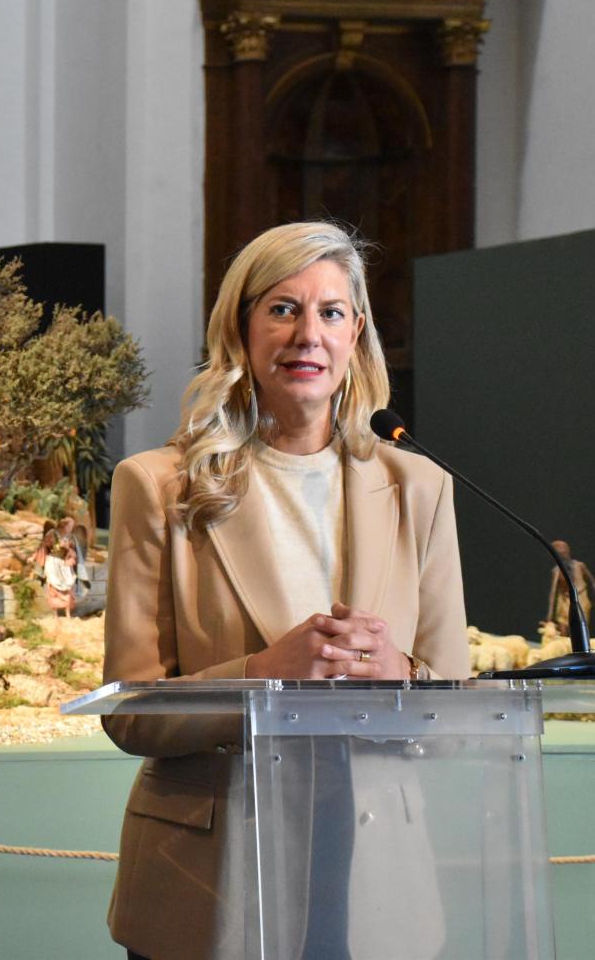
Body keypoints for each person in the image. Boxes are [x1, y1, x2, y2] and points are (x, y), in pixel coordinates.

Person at [100, 221, 469, 960]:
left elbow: (453, 702)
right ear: (241, 328)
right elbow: (132, 714)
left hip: (374, 881)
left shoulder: (420, 486)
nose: (308, 334)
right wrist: (261, 675)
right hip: (209, 880)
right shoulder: (159, 485)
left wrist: (400, 676)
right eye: (282, 309)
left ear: (356, 332)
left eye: (331, 312)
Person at [546, 538, 595, 633]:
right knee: (563, 624)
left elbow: (592, 581)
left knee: (580, 626)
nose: (563, 553)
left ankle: (579, 644)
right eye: (559, 552)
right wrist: (550, 614)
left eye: (564, 551)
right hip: (564, 600)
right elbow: (553, 592)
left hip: (581, 598)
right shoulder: (556, 571)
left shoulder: (580, 566)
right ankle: (563, 643)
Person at [43, 542, 76, 618]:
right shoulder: (51, 558)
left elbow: (71, 561)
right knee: (53, 594)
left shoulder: (69, 551)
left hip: (63, 571)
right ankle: (56, 614)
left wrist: (67, 561)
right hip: (53, 571)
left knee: (67, 594)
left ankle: (68, 614)